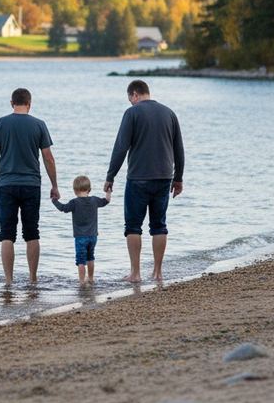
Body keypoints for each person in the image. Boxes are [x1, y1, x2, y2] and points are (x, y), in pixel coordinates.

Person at [104, 79, 184, 283]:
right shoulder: (169, 113)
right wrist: (179, 178)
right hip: (164, 177)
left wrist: (110, 175)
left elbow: (121, 147)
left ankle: (136, 273)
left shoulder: (132, 113)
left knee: (133, 226)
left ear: (134, 95)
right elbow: (179, 149)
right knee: (159, 225)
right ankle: (157, 273)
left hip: (138, 178)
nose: (131, 102)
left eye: (130, 98)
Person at [0, 88, 59, 284]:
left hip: (6, 185)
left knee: (7, 234)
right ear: (29, 103)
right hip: (31, 185)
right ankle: (33, 279)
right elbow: (48, 158)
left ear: (11, 103)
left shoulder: (0, 124)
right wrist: (54, 185)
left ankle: (9, 281)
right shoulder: (39, 125)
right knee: (32, 232)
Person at [52, 176, 111, 284]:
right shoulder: (95, 200)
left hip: (80, 238)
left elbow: (63, 208)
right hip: (93, 236)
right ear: (89, 189)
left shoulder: (74, 202)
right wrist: (108, 191)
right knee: (90, 257)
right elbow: (106, 201)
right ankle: (91, 278)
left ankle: (82, 281)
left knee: (81, 261)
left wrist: (54, 201)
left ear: (75, 190)